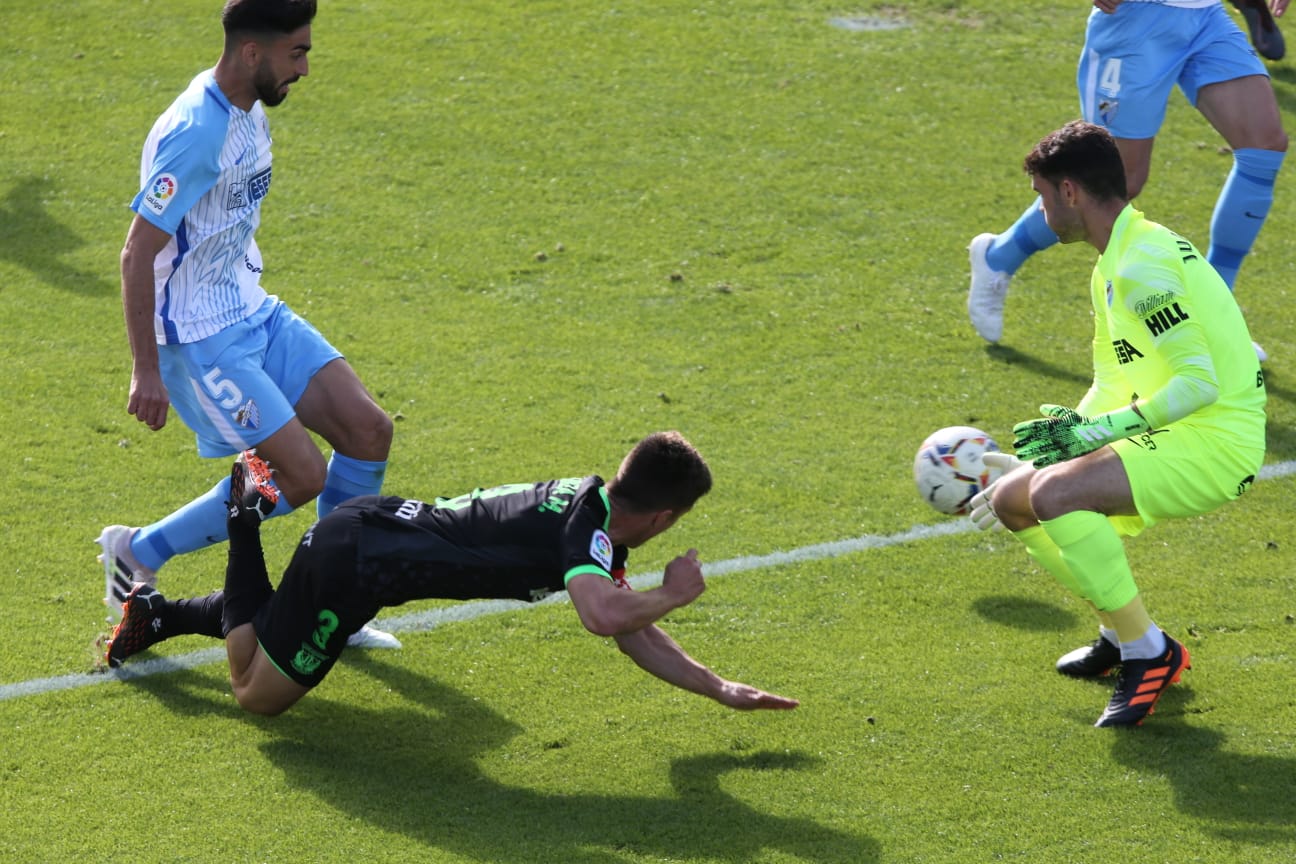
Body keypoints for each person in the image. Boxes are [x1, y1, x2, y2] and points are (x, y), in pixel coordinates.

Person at [103, 432, 801, 717]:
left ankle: (157, 614)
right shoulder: (581, 533)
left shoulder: (592, 513)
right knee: (257, 693)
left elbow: (627, 629)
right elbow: (604, 618)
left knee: (282, 621)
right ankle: (245, 513)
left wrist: (717, 687)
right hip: (355, 567)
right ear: (664, 518)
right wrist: (671, 596)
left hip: (368, 542)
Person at [100, 0, 397, 648]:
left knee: (368, 430)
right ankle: (139, 550)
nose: (307, 68)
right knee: (300, 473)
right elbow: (136, 251)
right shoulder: (196, 132)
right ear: (252, 52)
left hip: (249, 308)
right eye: (298, 52)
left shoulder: (250, 109)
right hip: (200, 337)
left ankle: (335, 605)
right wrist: (145, 367)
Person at [966, 121, 1266, 728]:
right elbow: (1113, 383)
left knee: (1055, 495)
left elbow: (1199, 384)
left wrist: (1085, 441)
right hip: (1179, 430)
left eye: (1043, 196)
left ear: (1070, 192)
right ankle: (1118, 635)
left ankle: (1149, 651)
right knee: (1013, 500)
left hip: (1217, 441)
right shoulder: (1116, 260)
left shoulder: (1141, 267)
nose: (1043, 211)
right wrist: (1048, 451)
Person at [968, 0, 1288, 360]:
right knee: (1115, 181)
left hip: (1205, 17)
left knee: (1264, 147)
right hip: (1134, 19)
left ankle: (1212, 315)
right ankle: (999, 257)